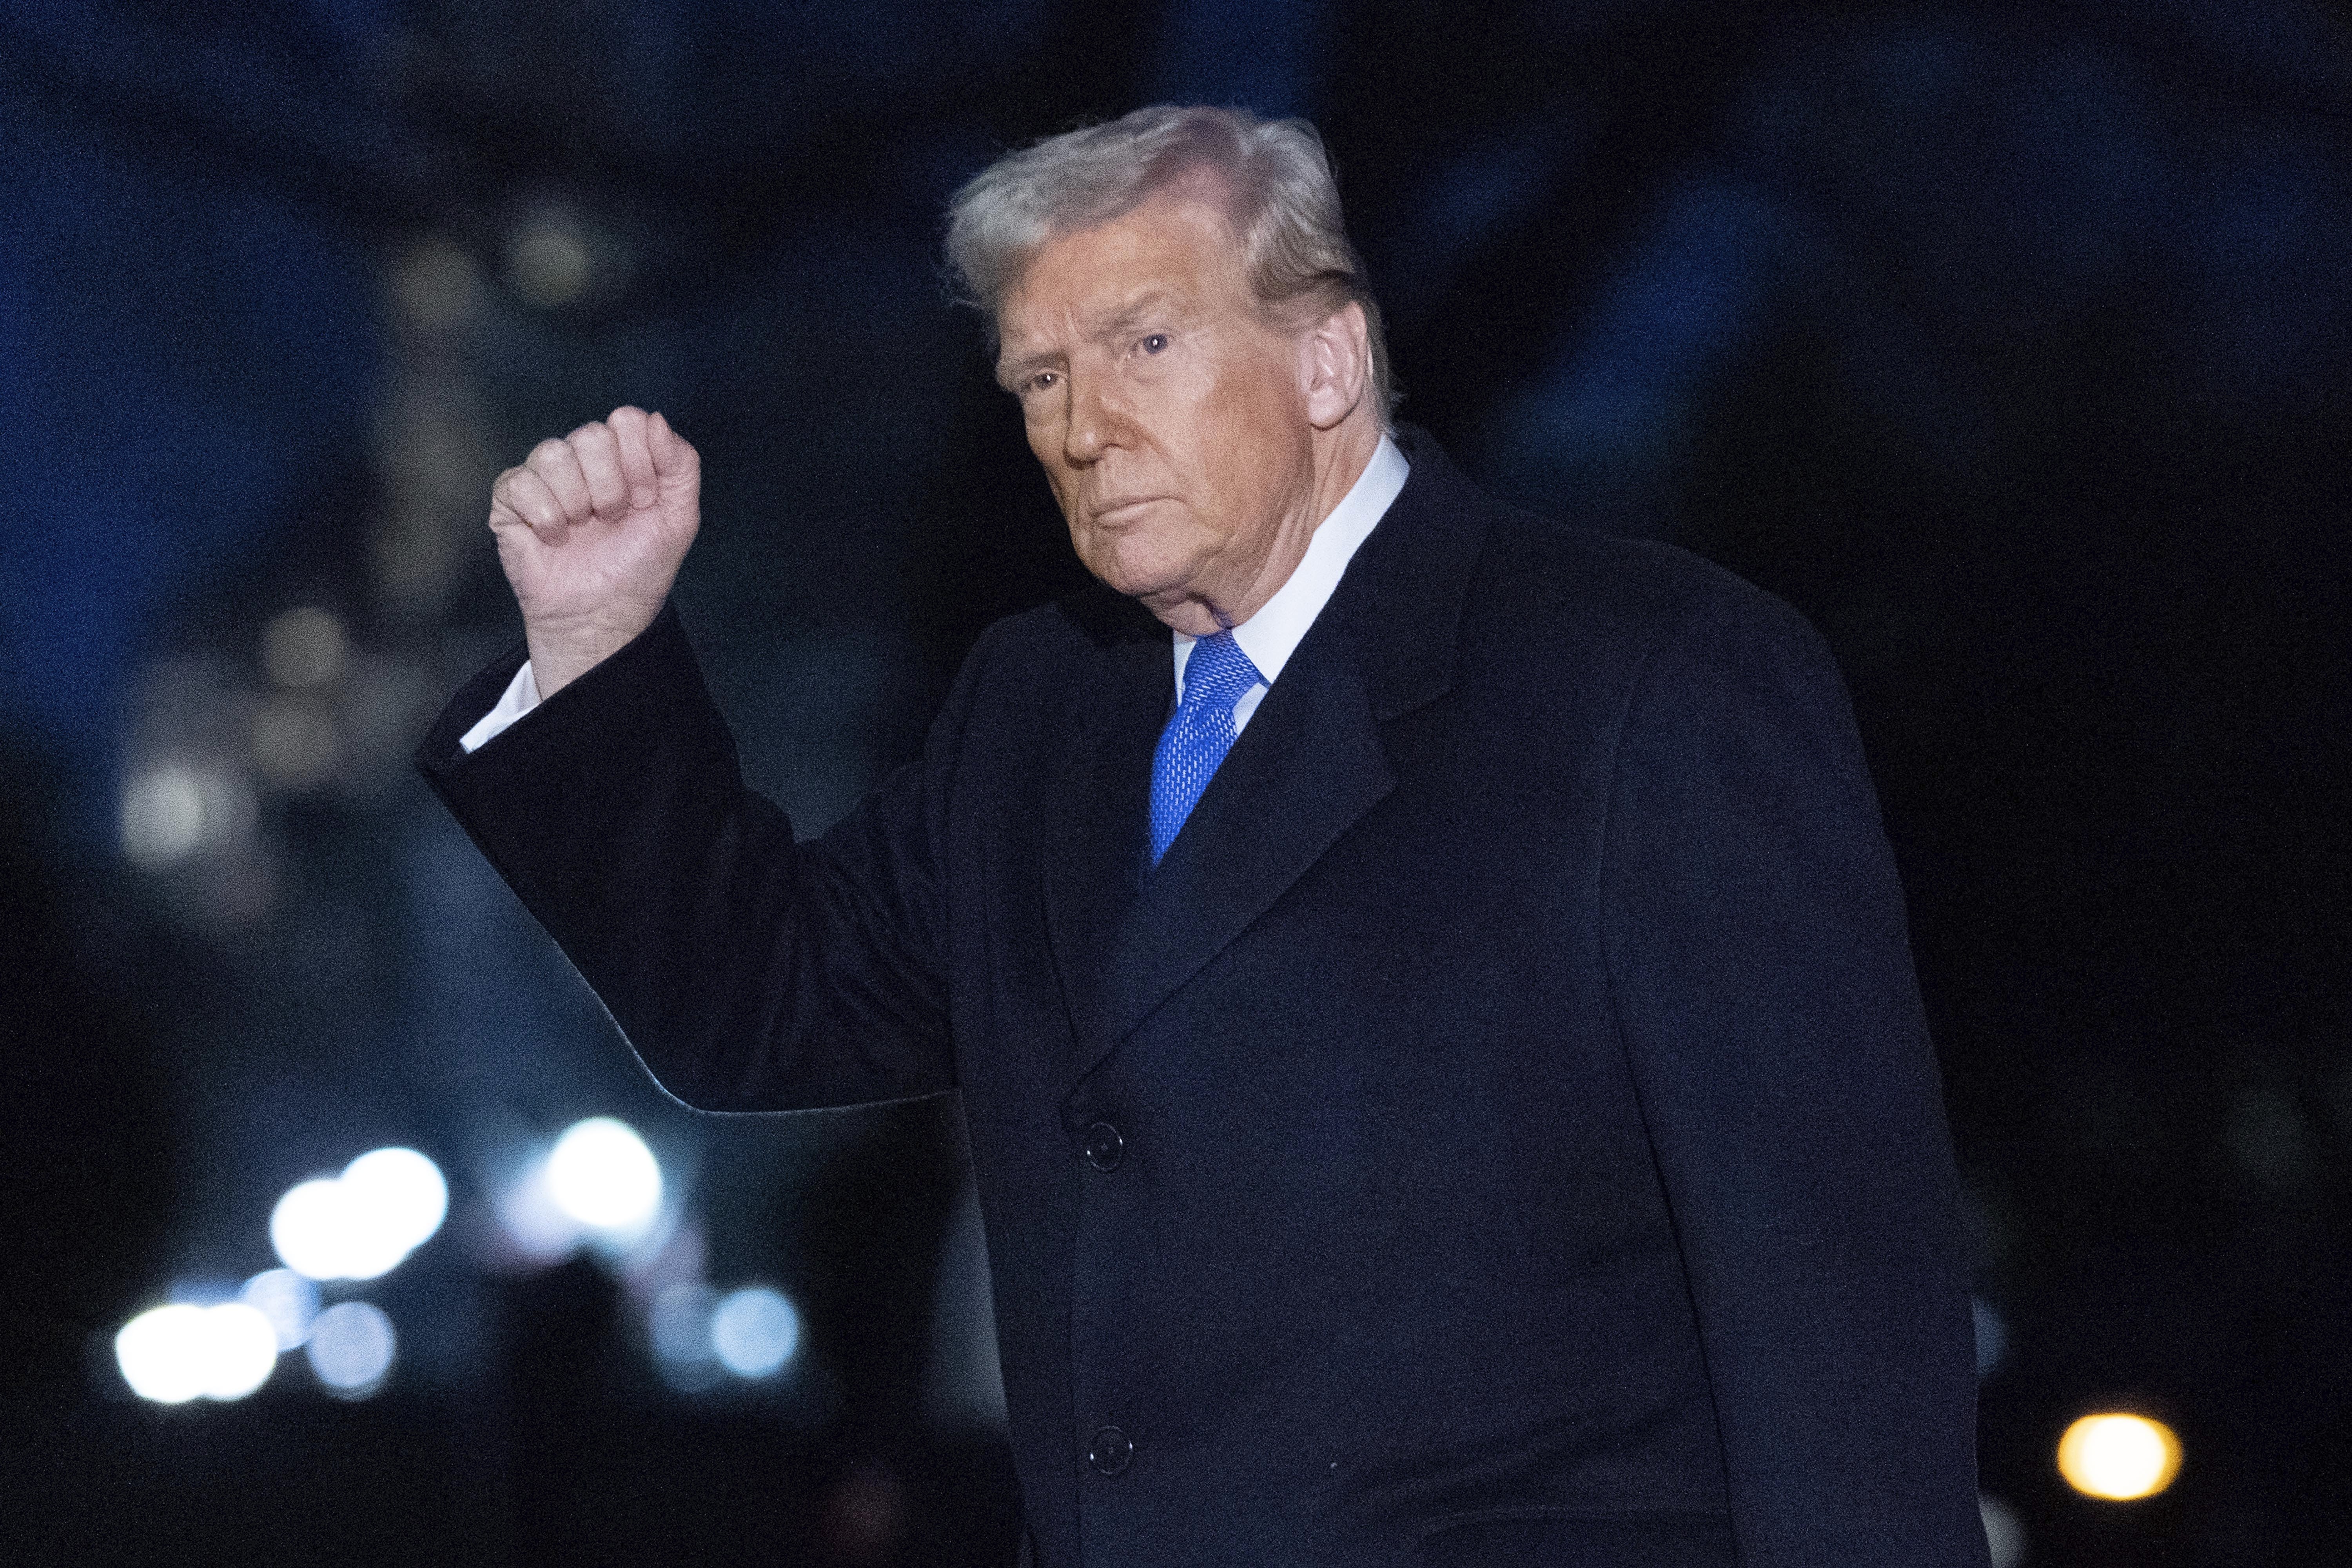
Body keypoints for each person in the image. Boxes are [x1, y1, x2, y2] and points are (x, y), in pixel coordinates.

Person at [419, 105, 1987, 1568]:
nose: (1083, 427)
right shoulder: (1036, 712)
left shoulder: (1648, 677)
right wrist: (596, 648)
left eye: (1144, 343)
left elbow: (1838, 1308)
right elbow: (756, 1009)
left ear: (1327, 362)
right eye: (1038, 379)